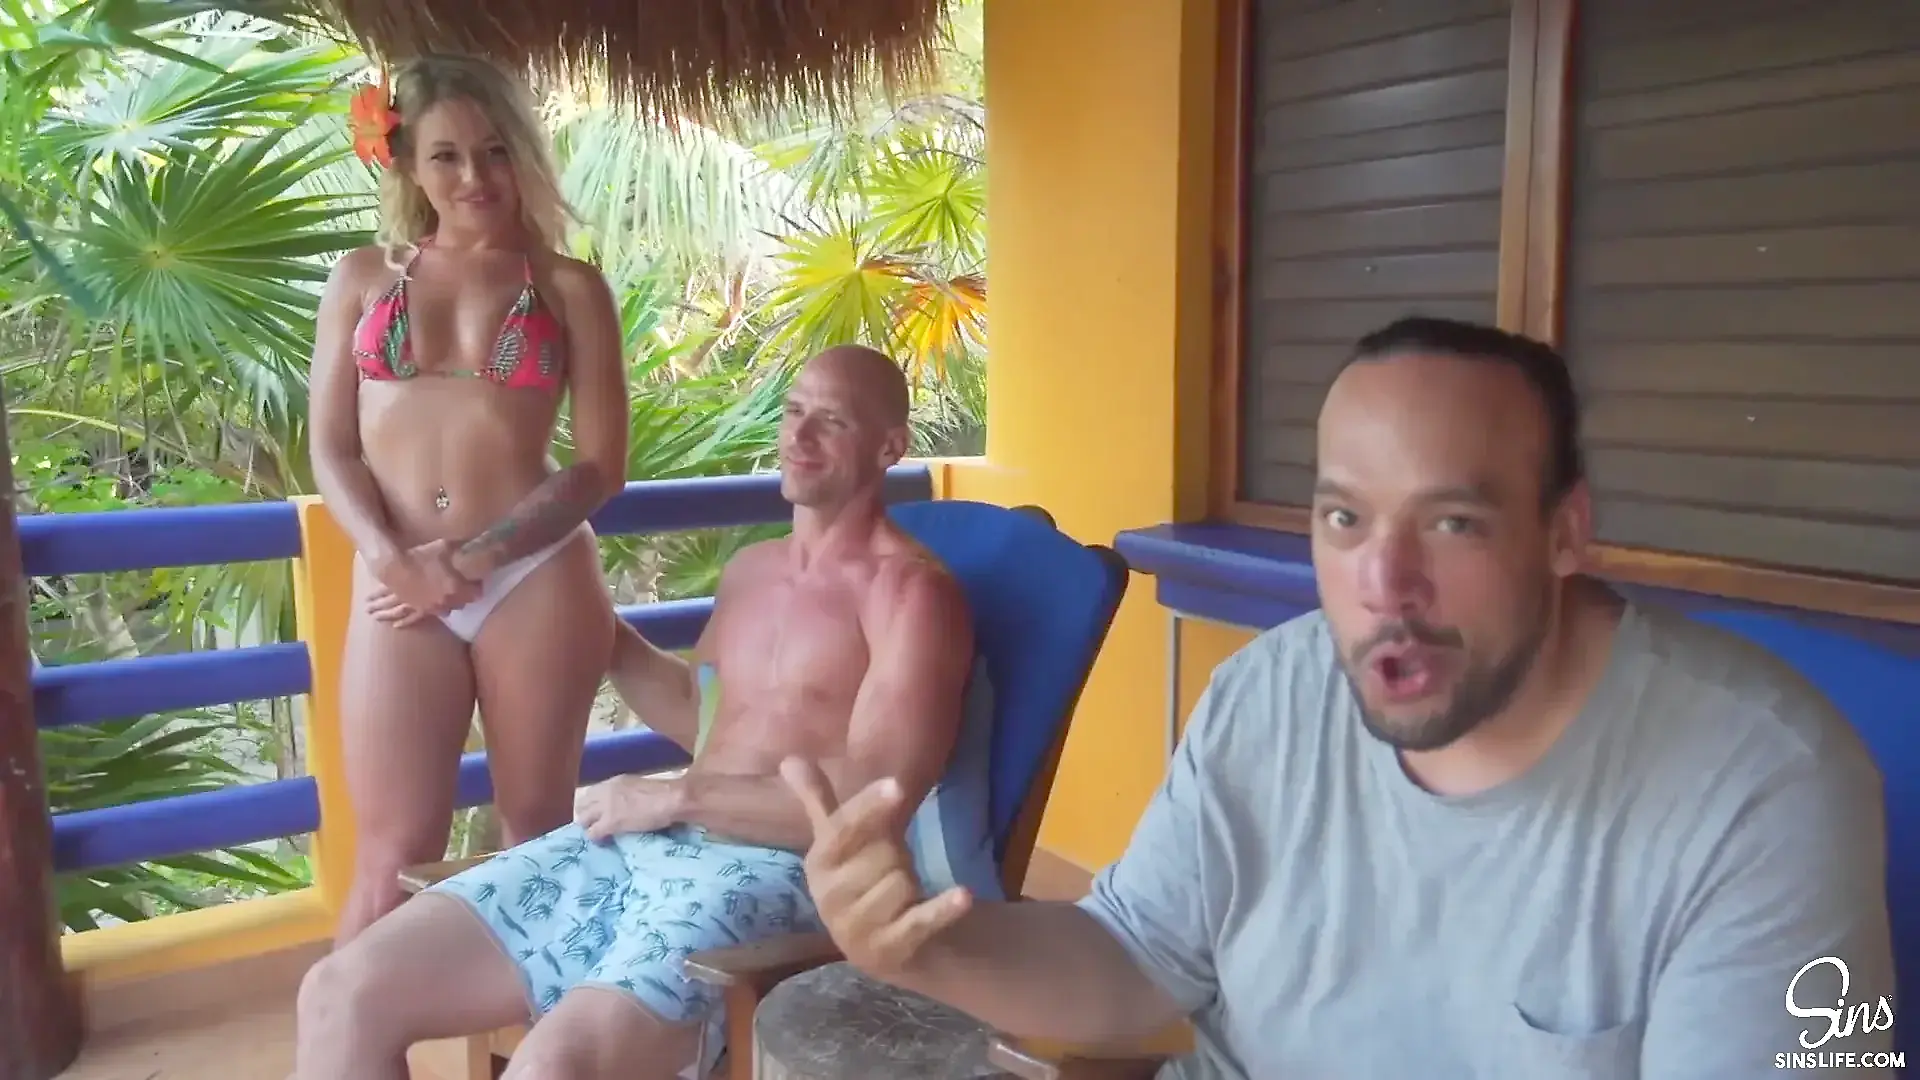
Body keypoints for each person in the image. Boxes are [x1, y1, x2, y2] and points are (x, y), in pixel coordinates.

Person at [786, 317, 1898, 1078]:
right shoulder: (1267, 697)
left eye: (1453, 522)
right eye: (1344, 519)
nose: (1384, 585)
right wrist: (922, 952)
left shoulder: (1765, 792)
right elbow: (1131, 963)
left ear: (1565, 533)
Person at [293, 345, 978, 1080]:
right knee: (338, 994)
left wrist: (677, 796)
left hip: (780, 875)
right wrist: (589, 617)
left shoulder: (910, 595)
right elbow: (699, 715)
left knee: (551, 1068)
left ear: (890, 447)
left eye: (832, 421)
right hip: (638, 845)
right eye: (793, 411)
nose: (799, 435)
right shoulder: (753, 571)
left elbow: (874, 803)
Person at [307, 53, 631, 945]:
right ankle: (346, 1020)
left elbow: (600, 467)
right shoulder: (361, 277)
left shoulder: (570, 288)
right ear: (407, 162)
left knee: (536, 832)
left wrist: (480, 557)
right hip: (398, 582)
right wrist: (393, 560)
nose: (474, 177)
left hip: (533, 576)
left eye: (494, 151)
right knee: (390, 851)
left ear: (523, 154)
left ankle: (543, 1024)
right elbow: (331, 448)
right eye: (446, 156)